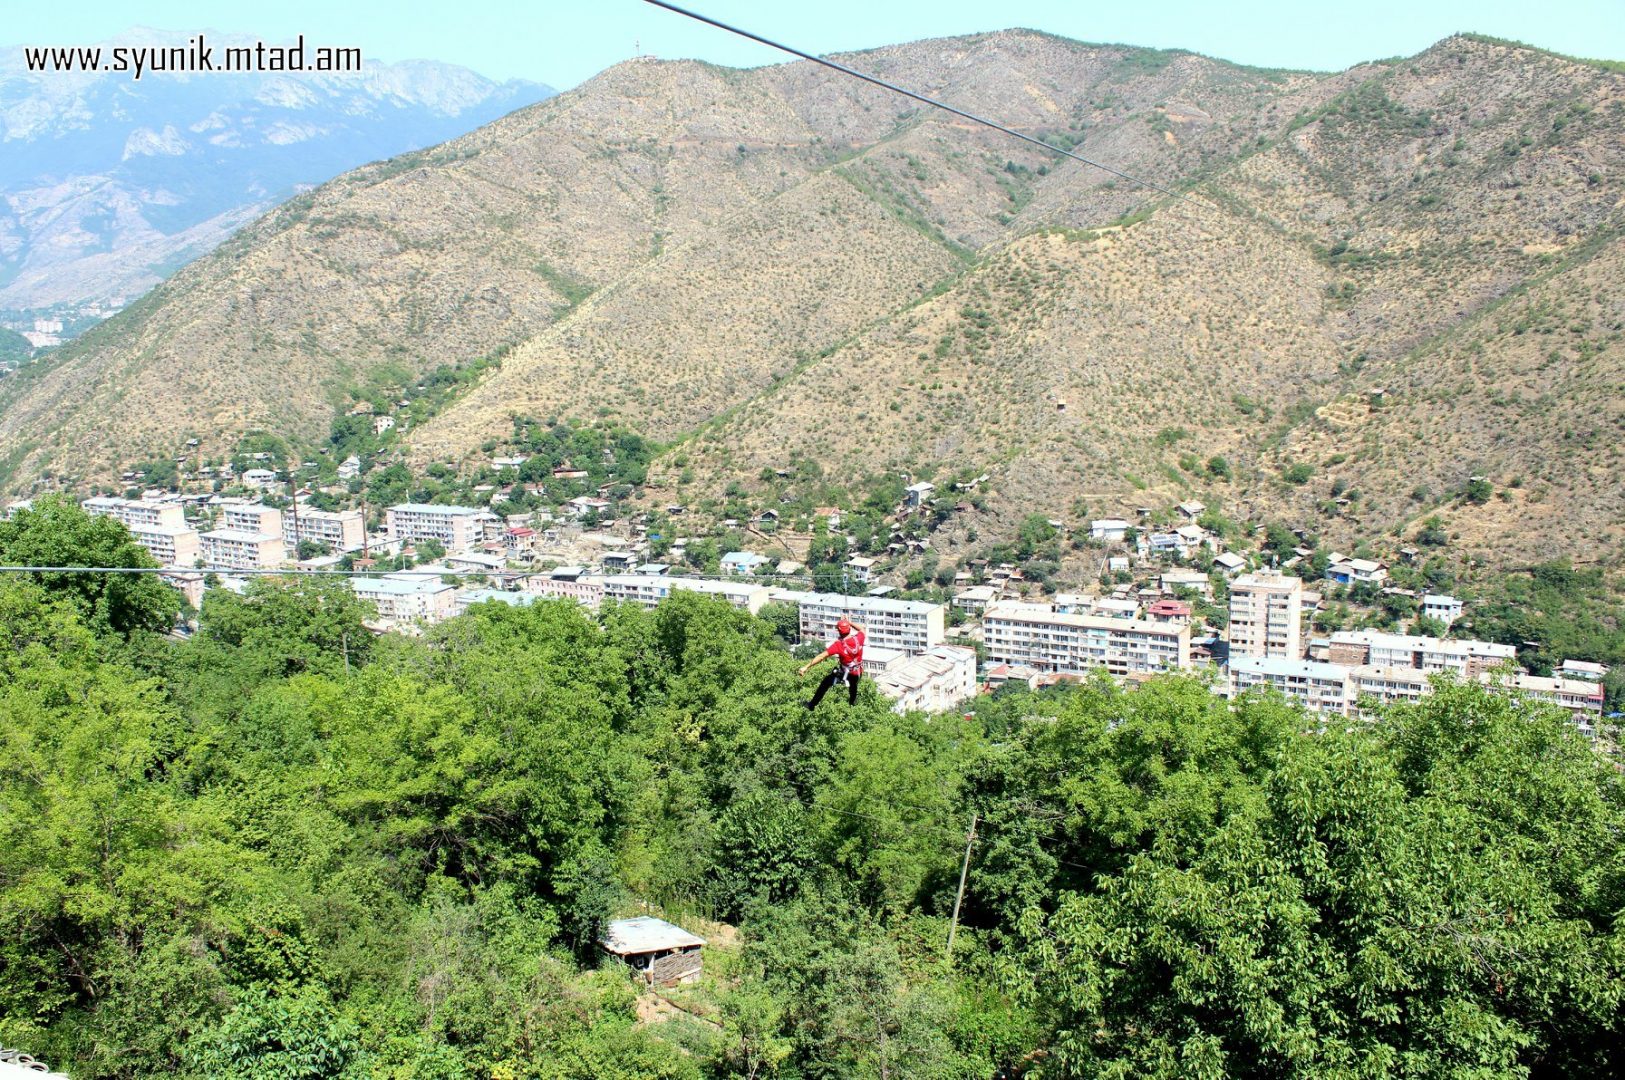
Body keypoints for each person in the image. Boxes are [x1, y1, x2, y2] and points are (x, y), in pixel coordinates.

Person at [798, 616, 866, 709]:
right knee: (853, 687)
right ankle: (852, 703)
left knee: (825, 683)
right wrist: (848, 622)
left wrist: (806, 667)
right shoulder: (859, 638)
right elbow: (861, 629)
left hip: (846, 673)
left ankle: (812, 705)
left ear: (839, 631)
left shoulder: (838, 645)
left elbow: (821, 656)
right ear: (849, 629)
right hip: (858, 673)